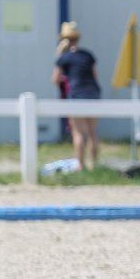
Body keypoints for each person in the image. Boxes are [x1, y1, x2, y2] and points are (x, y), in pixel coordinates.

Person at [52, 21, 101, 171]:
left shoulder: (64, 58)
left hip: (77, 94)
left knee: (79, 133)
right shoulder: (88, 55)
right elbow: (95, 75)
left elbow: (55, 79)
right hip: (92, 93)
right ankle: (95, 165)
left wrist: (59, 55)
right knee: (93, 132)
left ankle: (81, 165)